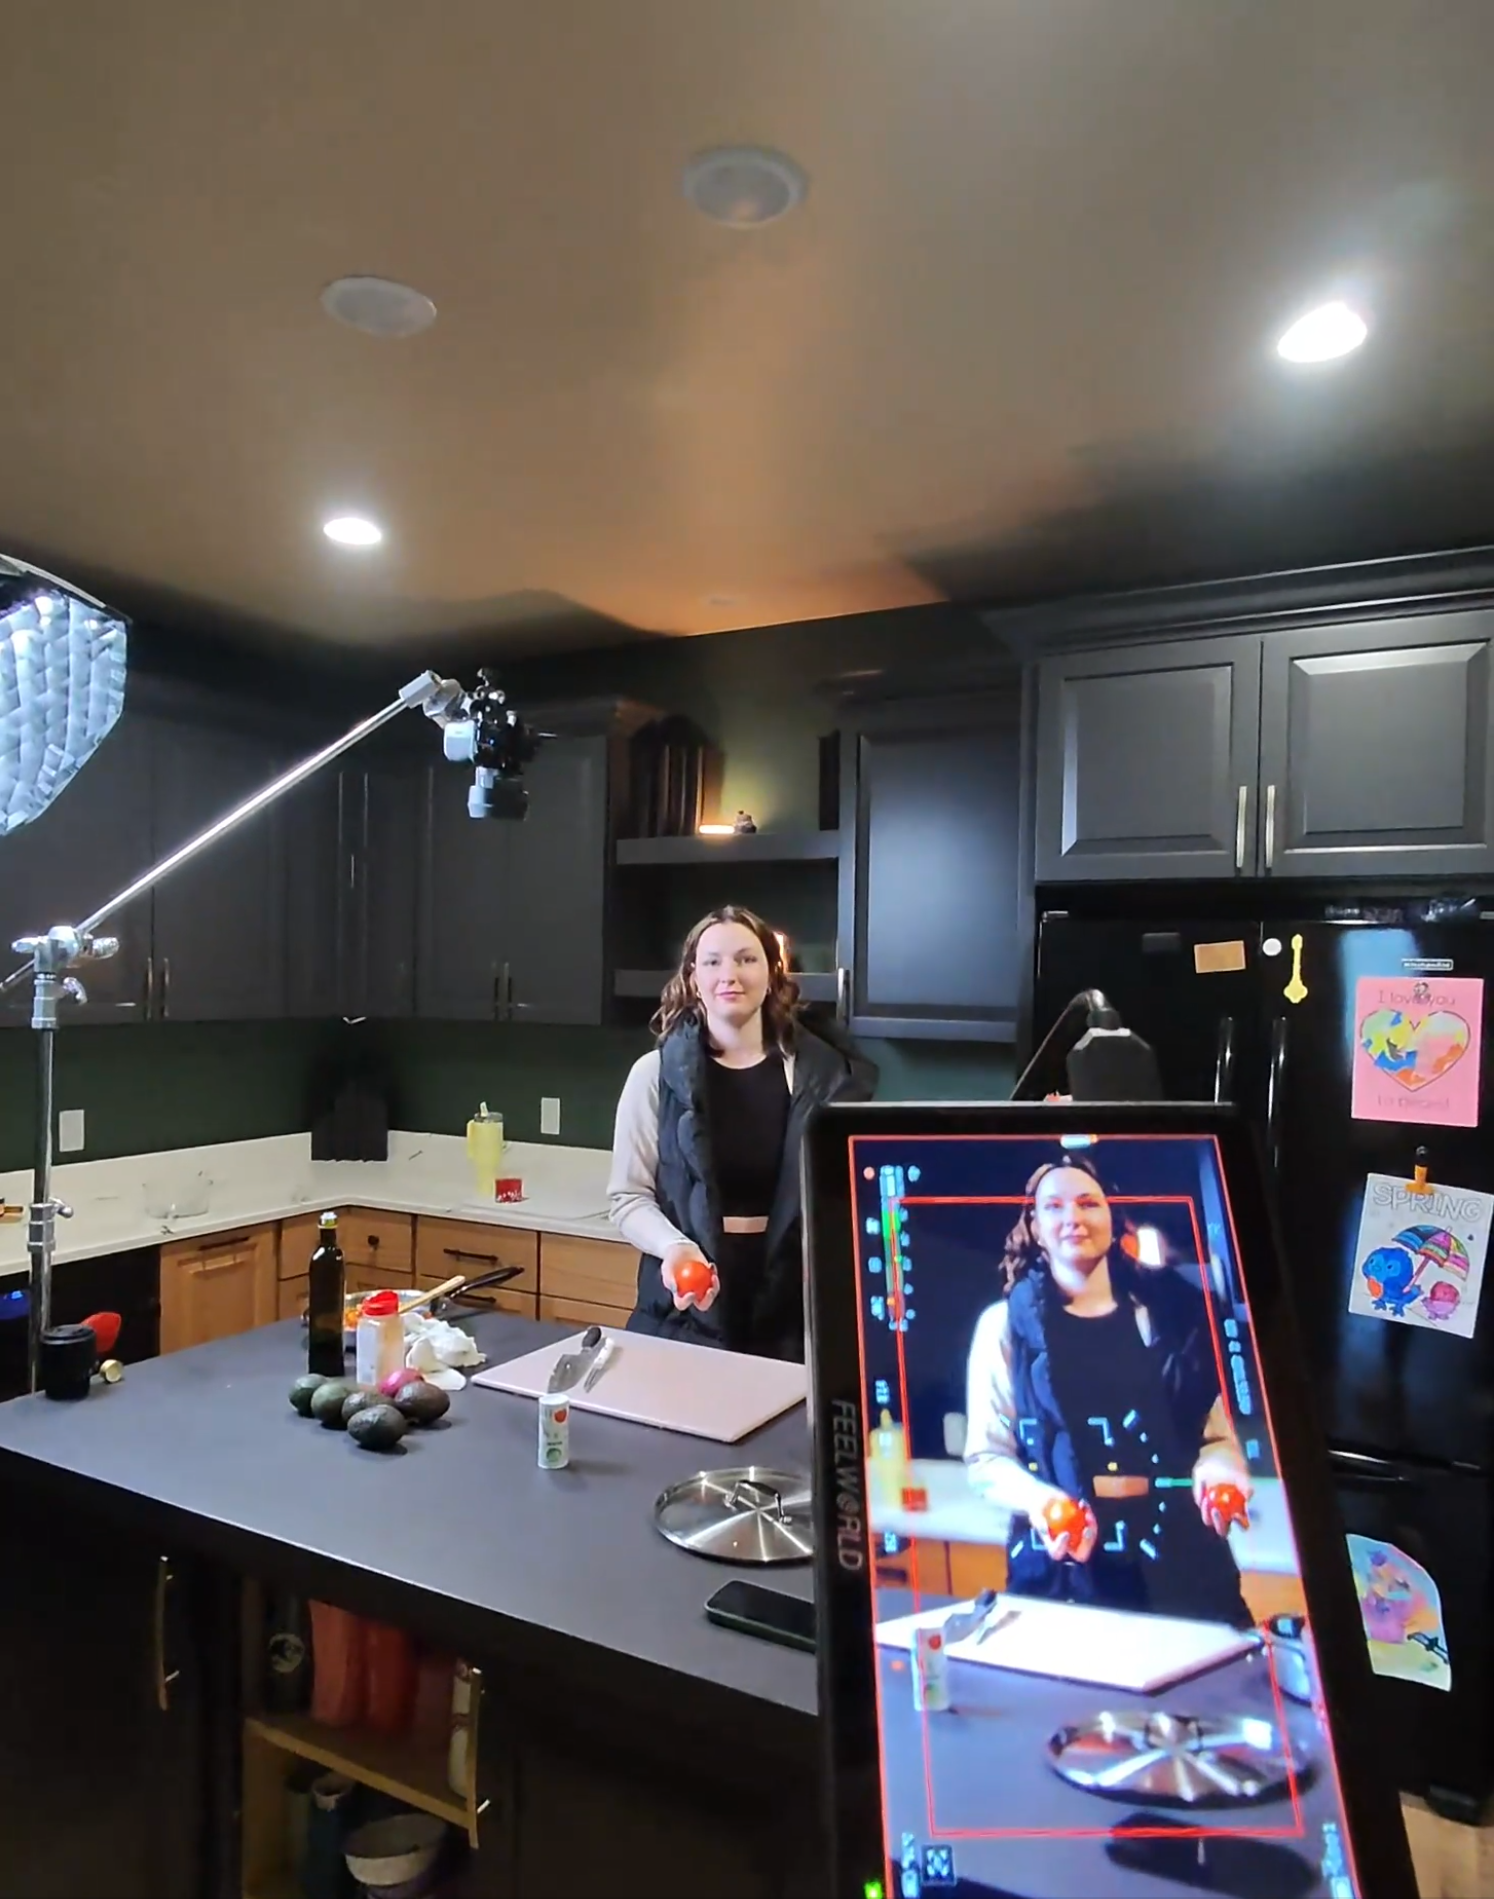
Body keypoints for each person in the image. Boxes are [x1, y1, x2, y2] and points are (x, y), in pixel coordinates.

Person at [963, 1154, 1253, 1625]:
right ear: (1034, 1226)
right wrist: (1045, 1503)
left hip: (1187, 1581)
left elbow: (1215, 1439)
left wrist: (1221, 1476)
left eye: (1087, 1203)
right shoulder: (1001, 1328)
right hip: (1060, 1580)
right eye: (1053, 1207)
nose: (1072, 1218)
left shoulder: (1169, 1319)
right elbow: (986, 1459)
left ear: (1112, 1219)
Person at [608, 905, 876, 1359]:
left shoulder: (823, 1078)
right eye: (712, 961)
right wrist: (674, 1249)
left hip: (789, 1309)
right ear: (693, 977)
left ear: (773, 972)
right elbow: (627, 1197)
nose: (729, 974)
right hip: (681, 1313)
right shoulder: (653, 1075)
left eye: (746, 959)